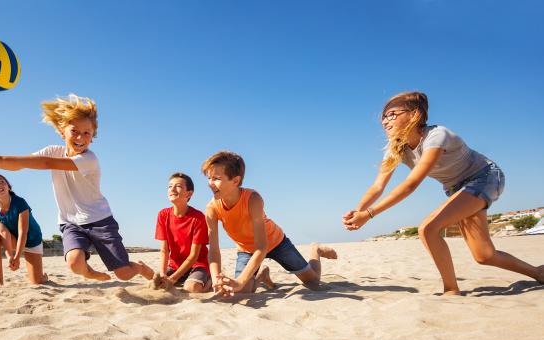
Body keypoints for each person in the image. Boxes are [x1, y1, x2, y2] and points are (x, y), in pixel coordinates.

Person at [342, 91, 544, 295]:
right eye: (384, 117)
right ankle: (538, 273)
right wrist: (357, 212)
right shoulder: (396, 149)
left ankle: (451, 290)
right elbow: (378, 186)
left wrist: (369, 215)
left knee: (428, 228)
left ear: (414, 115)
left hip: (484, 177)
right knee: (484, 255)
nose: (386, 121)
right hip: (458, 189)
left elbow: (411, 184)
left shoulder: (437, 136)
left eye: (392, 114)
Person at [0, 94, 154, 283]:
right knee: (74, 262)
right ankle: (89, 272)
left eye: (87, 133)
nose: (80, 138)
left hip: (101, 220)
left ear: (93, 136)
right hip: (71, 223)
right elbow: (23, 164)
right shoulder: (53, 150)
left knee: (123, 274)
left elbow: (45, 163)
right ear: (62, 132)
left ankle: (141, 268)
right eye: (74, 131)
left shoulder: (89, 159)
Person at [203, 151, 337, 296]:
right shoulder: (212, 208)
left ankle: (315, 249)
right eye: (209, 178)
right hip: (246, 249)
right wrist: (216, 279)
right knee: (242, 291)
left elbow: (262, 247)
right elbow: (214, 250)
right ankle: (262, 276)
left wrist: (240, 281)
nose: (210, 183)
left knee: (313, 282)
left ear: (235, 181)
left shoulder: (253, 199)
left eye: (216, 178)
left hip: (275, 242)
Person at [0, 173, 47, 286]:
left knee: (37, 282)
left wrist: (17, 258)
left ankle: (43, 277)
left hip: (31, 241)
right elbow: (4, 233)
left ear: (8, 186)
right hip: (13, 240)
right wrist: (9, 256)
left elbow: (23, 232)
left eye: (2, 181)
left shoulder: (19, 202)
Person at [153, 173, 212, 293]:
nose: (172, 189)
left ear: (189, 193)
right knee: (157, 283)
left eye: (178, 186)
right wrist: (164, 274)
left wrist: (172, 279)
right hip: (175, 266)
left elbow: (194, 256)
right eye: (170, 186)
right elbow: (165, 250)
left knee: (191, 288)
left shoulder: (198, 218)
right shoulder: (163, 215)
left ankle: (209, 279)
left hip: (197, 264)